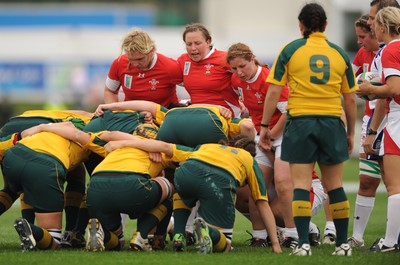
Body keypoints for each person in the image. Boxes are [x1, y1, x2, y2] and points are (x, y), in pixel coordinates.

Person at [259, 3, 358, 256]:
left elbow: (273, 92)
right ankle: (343, 245)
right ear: (325, 25)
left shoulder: (290, 50)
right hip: (331, 122)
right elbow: (349, 99)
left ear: (300, 25)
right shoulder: (339, 53)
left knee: (301, 185)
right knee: (335, 185)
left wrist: (263, 125)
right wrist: (349, 133)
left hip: (301, 122)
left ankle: (303, 244)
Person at [105, 134, 283, 254]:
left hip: (186, 172)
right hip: (219, 180)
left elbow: (166, 147)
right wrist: (275, 243)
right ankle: (209, 232)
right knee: (225, 245)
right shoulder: (249, 159)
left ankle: (179, 235)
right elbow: (261, 202)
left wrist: (121, 143)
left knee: (184, 193)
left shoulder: (206, 147)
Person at [22, 122, 174, 252]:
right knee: (169, 187)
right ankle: (143, 235)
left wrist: (43, 127)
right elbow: (188, 155)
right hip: (133, 188)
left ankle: (102, 233)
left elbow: (79, 134)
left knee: (118, 240)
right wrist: (153, 147)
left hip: (95, 191)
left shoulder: (114, 146)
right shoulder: (161, 151)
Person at [227, 43, 300, 248]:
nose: (239, 72)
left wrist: (270, 136)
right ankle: (260, 236)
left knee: (283, 183)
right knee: (256, 186)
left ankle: (293, 234)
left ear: (252, 58)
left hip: (284, 134)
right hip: (263, 136)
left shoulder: (270, 79)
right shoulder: (236, 80)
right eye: (234, 68)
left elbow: (288, 113)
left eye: (242, 66)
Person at [2, 120, 92, 251]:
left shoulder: (47, 130)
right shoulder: (88, 138)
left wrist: (44, 126)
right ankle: (31, 229)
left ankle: (66, 231)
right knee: (53, 240)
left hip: (12, 157)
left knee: (10, 191)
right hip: (45, 165)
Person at [357, 6, 400, 253]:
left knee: (394, 187)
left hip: (396, 118)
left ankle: (390, 242)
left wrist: (369, 89)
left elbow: (393, 89)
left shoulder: (390, 49)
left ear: (383, 27)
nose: (371, 26)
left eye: (374, 24)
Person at [347, 12, 383, 248]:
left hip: (388, 121)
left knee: (393, 183)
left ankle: (393, 238)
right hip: (371, 120)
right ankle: (357, 237)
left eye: (363, 36)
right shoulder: (363, 54)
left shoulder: (390, 53)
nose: (359, 41)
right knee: (366, 180)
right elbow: (348, 77)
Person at [103, 28, 183, 108]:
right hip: (132, 117)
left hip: (163, 118)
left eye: (140, 59)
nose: (135, 64)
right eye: (131, 59)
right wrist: (114, 113)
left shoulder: (170, 67)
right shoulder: (119, 63)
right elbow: (110, 91)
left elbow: (194, 88)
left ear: (152, 51)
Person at [177, 23, 242, 117]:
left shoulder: (225, 59)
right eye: (189, 44)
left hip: (226, 118)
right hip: (196, 116)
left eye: (197, 43)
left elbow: (251, 76)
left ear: (208, 41)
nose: (193, 48)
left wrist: (244, 101)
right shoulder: (183, 60)